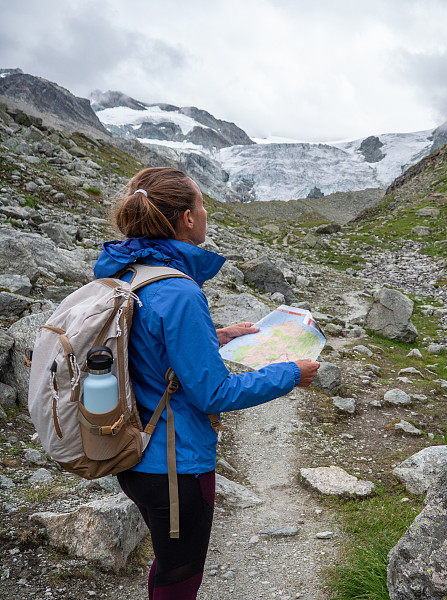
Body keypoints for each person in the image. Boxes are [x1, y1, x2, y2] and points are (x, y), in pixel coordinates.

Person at [93, 167, 319, 600]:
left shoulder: (127, 271)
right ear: (186, 218)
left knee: (167, 559)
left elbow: (144, 347)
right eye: (201, 203)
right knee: (181, 573)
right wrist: (292, 372)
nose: (206, 210)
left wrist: (216, 336)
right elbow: (216, 393)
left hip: (130, 448)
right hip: (176, 464)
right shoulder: (179, 292)